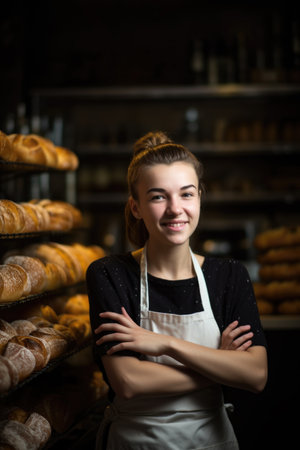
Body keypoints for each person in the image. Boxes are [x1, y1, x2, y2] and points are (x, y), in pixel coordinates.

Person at [86, 131, 268, 450]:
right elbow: (128, 382)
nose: (175, 209)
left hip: (212, 441)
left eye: (186, 194)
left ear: (199, 197)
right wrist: (221, 367)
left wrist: (166, 344)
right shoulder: (109, 274)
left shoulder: (229, 275)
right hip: (137, 442)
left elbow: (255, 374)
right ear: (136, 207)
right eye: (158, 196)